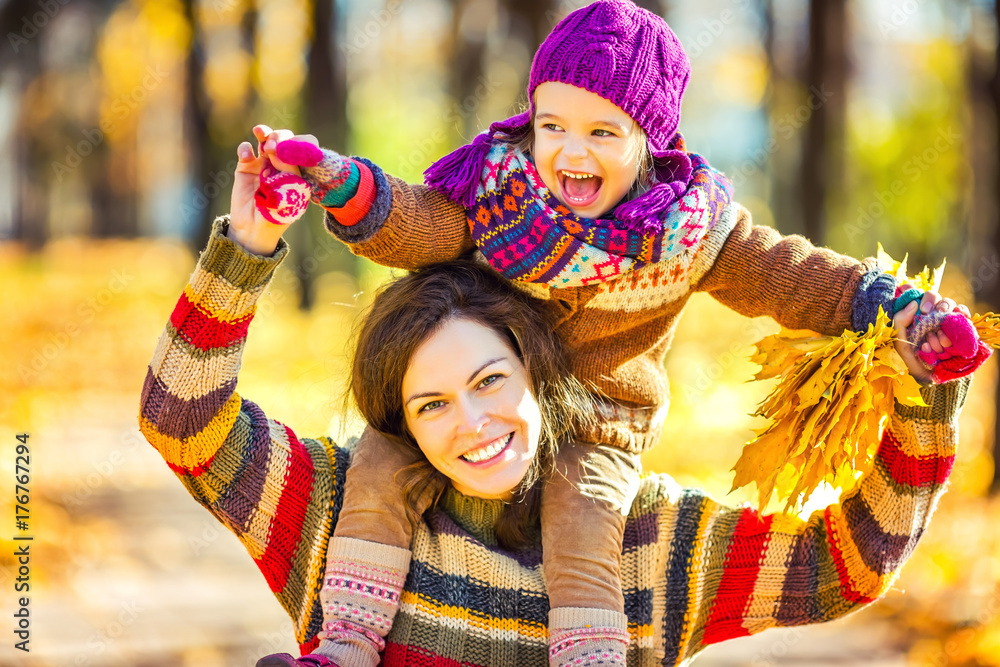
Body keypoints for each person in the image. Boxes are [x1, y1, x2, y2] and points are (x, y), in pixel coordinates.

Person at [246, 1, 990, 663]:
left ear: (650, 139)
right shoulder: (501, 192)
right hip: (483, 395)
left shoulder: (690, 231)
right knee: (381, 461)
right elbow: (419, 222)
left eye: (603, 130)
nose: (571, 152)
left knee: (584, 522)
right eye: (552, 126)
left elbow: (795, 277)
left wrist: (905, 313)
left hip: (600, 426)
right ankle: (343, 642)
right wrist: (340, 182)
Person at [138, 135, 976, 667]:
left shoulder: (646, 547)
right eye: (429, 405)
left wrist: (924, 395)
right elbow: (182, 419)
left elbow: (846, 565)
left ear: (538, 369)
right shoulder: (337, 508)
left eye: (489, 381)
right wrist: (246, 245)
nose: (469, 422)